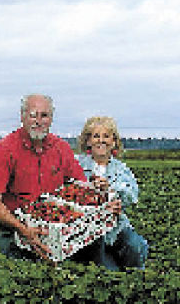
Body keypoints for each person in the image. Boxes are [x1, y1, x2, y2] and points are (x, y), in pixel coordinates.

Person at [0, 94, 86, 261]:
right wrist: (22, 229)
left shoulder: (61, 148)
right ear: (22, 116)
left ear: (51, 119)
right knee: (19, 274)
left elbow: (81, 188)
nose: (38, 121)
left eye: (44, 115)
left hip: (53, 225)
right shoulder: (5, 149)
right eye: (33, 115)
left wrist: (101, 193)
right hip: (12, 228)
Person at [73, 116, 148, 270]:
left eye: (106, 136)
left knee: (136, 245)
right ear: (87, 141)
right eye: (96, 136)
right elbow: (67, 188)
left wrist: (111, 191)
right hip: (86, 229)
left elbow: (131, 194)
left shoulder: (121, 169)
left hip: (116, 226)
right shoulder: (76, 164)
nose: (101, 141)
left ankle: (136, 277)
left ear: (113, 142)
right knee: (105, 269)